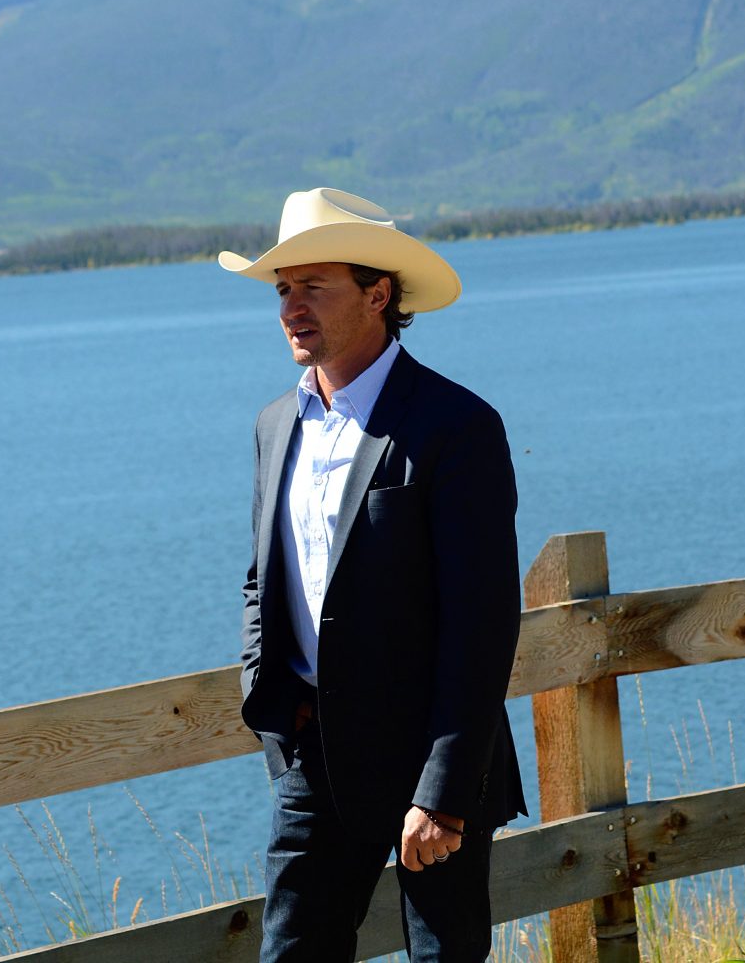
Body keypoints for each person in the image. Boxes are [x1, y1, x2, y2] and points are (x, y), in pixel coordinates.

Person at [218, 187, 525, 963]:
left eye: (313, 286)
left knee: (441, 956)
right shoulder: (273, 424)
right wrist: (273, 712)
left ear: (378, 293)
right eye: (283, 289)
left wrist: (445, 794)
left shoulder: (456, 425)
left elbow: (481, 622)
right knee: (291, 952)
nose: (291, 306)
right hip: (313, 754)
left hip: (432, 760)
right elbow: (262, 581)